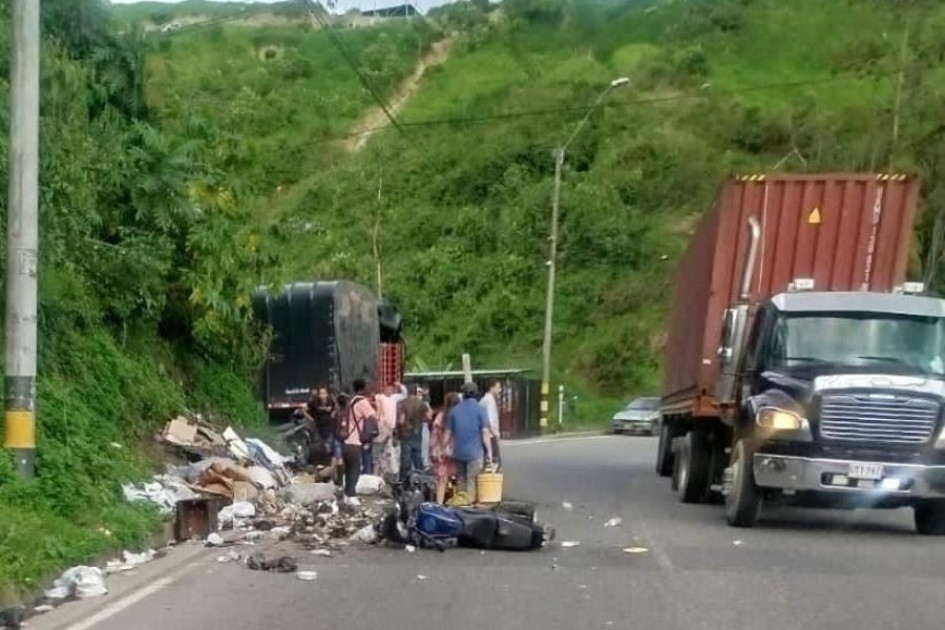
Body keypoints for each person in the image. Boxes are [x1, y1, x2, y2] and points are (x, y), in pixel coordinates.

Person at [445, 382, 492, 502]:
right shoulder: (480, 409)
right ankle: (469, 509)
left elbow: (447, 433)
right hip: (474, 453)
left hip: (459, 452)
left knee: (461, 480)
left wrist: (443, 447)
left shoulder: (454, 410)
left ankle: (461, 504)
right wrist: (489, 452)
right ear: (476, 394)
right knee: (472, 480)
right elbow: (485, 432)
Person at [340, 379, 377, 506]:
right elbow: (372, 417)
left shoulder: (350, 401)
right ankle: (351, 496)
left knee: (349, 470)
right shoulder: (362, 402)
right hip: (355, 442)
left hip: (345, 442)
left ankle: (346, 495)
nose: (369, 388)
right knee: (354, 470)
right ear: (362, 388)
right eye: (367, 386)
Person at [301, 385, 338, 474]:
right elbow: (303, 409)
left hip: (330, 427)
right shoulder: (314, 402)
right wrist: (311, 419)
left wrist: (333, 415)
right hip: (319, 427)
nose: (322, 395)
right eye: (320, 393)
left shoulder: (331, 401)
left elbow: (336, 408)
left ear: (327, 394)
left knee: (329, 446)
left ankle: (329, 467)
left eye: (324, 393)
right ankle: (321, 466)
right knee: (321, 446)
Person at [431, 392, 459, 504]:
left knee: (442, 479)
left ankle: (439, 503)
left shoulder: (441, 416)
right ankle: (458, 501)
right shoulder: (459, 416)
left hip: (441, 450)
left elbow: (434, 433)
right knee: (459, 477)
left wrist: (434, 450)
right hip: (456, 449)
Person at [397, 384, 428, 480]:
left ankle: (404, 482)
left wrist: (397, 428)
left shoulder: (402, 403)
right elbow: (428, 416)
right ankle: (421, 480)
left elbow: (401, 420)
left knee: (405, 458)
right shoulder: (421, 403)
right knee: (417, 456)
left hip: (406, 433)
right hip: (417, 432)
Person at [479, 380, 502, 471]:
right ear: (491, 388)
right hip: (490, 435)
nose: (499, 390)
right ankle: (490, 483)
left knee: (487, 460)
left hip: (484, 434)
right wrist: (495, 433)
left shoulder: (484, 399)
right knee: (494, 461)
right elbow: (489, 419)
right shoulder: (489, 400)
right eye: (498, 387)